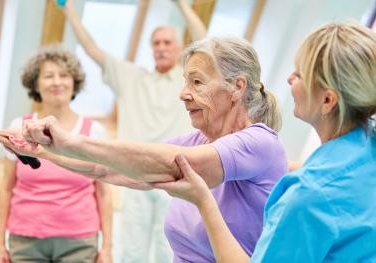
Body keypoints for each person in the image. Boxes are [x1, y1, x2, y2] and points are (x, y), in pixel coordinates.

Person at [0, 37, 288, 262]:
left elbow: (177, 164)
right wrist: (43, 153)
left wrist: (69, 141)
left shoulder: (260, 143)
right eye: (186, 82)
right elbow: (104, 169)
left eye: (196, 82)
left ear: (237, 87)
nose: (183, 93)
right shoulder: (196, 141)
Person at [156, 22, 376, 262]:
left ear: (327, 100)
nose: (290, 78)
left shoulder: (308, 197)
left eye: (299, 74)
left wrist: (203, 201)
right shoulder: (363, 159)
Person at [58, 1, 207, 261]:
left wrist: (182, 5)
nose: (161, 48)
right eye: (156, 43)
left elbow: (203, 40)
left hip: (178, 174)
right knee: (132, 250)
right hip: (134, 175)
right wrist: (69, 10)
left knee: (170, 248)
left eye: (167, 43)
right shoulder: (130, 77)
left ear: (180, 47)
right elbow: (91, 49)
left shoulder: (188, 80)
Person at [0, 45, 113, 263]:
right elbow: (6, 188)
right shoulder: (18, 127)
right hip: (25, 241)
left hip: (80, 242)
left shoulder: (94, 131)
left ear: (74, 81)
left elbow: (104, 193)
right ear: (35, 84)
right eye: (48, 76)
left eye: (64, 75)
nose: (57, 82)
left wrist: (107, 248)